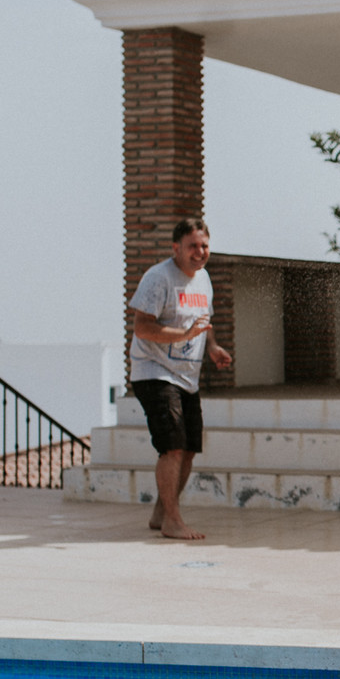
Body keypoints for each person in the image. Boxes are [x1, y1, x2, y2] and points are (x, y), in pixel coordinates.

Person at [129, 218, 231, 540]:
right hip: (154, 371)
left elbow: (205, 322)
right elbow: (142, 326)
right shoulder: (158, 278)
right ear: (176, 248)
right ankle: (173, 520)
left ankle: (162, 512)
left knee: (187, 449)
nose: (199, 253)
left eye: (204, 245)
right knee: (172, 447)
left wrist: (212, 348)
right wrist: (184, 335)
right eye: (192, 246)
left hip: (188, 377)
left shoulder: (203, 280)